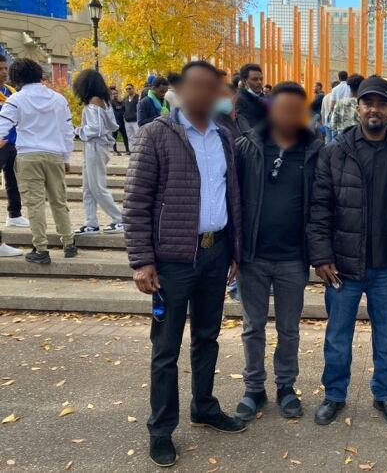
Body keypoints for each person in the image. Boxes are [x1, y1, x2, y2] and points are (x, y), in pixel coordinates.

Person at [124, 60, 245, 468]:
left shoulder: (224, 137)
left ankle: (204, 406)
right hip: (172, 261)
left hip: (215, 253)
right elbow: (136, 202)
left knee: (207, 338)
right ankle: (161, 429)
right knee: (166, 349)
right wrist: (142, 261)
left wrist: (234, 251)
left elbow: (232, 197)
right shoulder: (155, 135)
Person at [307, 75, 387, 427]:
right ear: (357, 108)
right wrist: (321, 256)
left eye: (381, 103)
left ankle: (385, 394)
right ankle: (334, 395)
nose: (374, 109)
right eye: (368, 103)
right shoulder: (335, 151)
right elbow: (319, 207)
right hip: (343, 265)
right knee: (338, 337)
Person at [233, 81, 323, 422]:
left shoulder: (314, 151)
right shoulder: (248, 147)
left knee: (289, 329)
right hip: (253, 257)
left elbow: (320, 204)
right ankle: (253, 388)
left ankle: (286, 386)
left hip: (292, 259)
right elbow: (233, 200)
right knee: (252, 326)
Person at [0, 58, 76, 264]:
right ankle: (68, 243)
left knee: (34, 204)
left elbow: (3, 126)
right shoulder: (59, 99)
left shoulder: (15, 100)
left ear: (16, 78)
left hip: (28, 156)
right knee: (59, 200)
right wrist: (66, 156)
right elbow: (67, 131)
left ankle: (41, 248)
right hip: (54, 155)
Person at [72, 69, 124, 235]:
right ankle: (91, 222)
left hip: (95, 146)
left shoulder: (95, 102)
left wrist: (76, 131)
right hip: (95, 147)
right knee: (88, 187)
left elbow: (95, 128)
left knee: (97, 187)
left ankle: (120, 219)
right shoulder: (103, 101)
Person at [0, 54, 29, 232]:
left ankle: (15, 214)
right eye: (0, 69)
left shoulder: (11, 92)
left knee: (14, 179)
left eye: (5, 68)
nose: (4, 72)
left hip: (13, 142)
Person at [235, 63, 268, 132]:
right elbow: (246, 129)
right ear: (244, 81)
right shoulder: (239, 100)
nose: (259, 82)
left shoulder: (265, 98)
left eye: (261, 79)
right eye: (255, 79)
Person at [109, 86, 129, 155]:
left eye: (116, 93)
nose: (115, 95)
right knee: (114, 137)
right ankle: (115, 151)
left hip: (122, 122)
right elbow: (114, 111)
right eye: (113, 94)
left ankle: (127, 150)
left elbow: (124, 109)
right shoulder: (110, 103)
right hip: (115, 122)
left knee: (125, 136)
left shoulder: (120, 101)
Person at [122, 83, 140, 148]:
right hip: (127, 121)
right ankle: (132, 152)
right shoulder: (125, 99)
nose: (128, 90)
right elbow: (123, 108)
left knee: (138, 136)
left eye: (129, 88)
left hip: (136, 121)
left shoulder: (138, 97)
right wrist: (124, 116)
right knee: (130, 137)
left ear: (133, 88)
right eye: (126, 89)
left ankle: (138, 151)